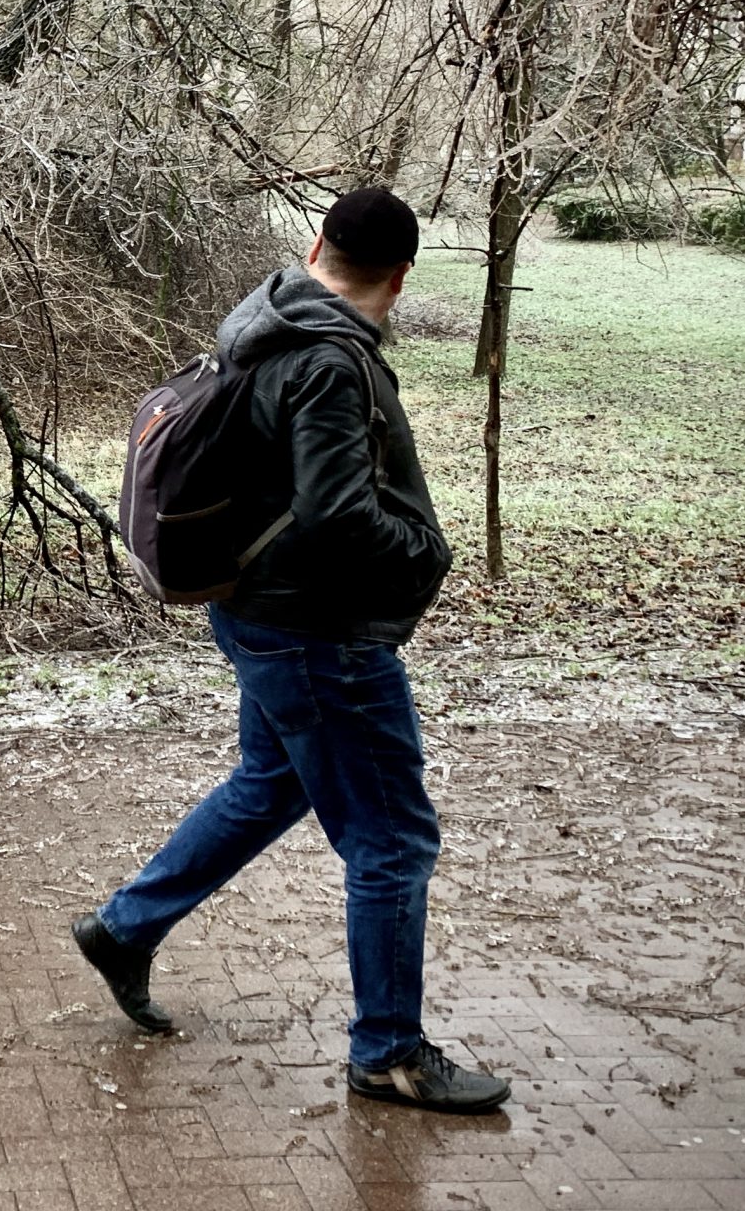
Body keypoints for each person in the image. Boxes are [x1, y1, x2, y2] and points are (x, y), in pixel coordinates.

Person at [73, 186, 510, 1114]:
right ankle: (389, 1053)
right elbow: (338, 513)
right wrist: (426, 551)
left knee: (270, 782)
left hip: (258, 613)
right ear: (400, 276)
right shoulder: (327, 362)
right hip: (319, 634)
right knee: (392, 840)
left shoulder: (266, 321)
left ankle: (124, 928)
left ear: (316, 244)